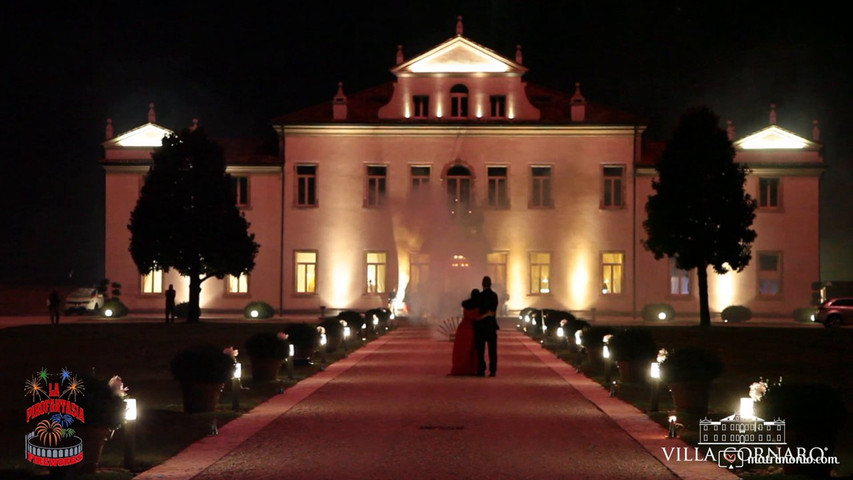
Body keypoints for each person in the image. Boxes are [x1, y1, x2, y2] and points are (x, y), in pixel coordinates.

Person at [450, 289, 480, 376]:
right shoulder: (479, 306)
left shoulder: (466, 304)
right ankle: (471, 369)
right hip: (473, 327)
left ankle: (460, 368)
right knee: (472, 350)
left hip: (463, 327)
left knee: (461, 350)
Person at [475, 276, 500, 377]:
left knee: (480, 350)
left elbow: (477, 310)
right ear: (490, 284)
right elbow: (493, 311)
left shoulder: (480, 296)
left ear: (482, 284)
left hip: (481, 325)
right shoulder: (494, 295)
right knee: (492, 349)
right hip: (491, 325)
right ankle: (492, 370)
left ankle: (481, 369)